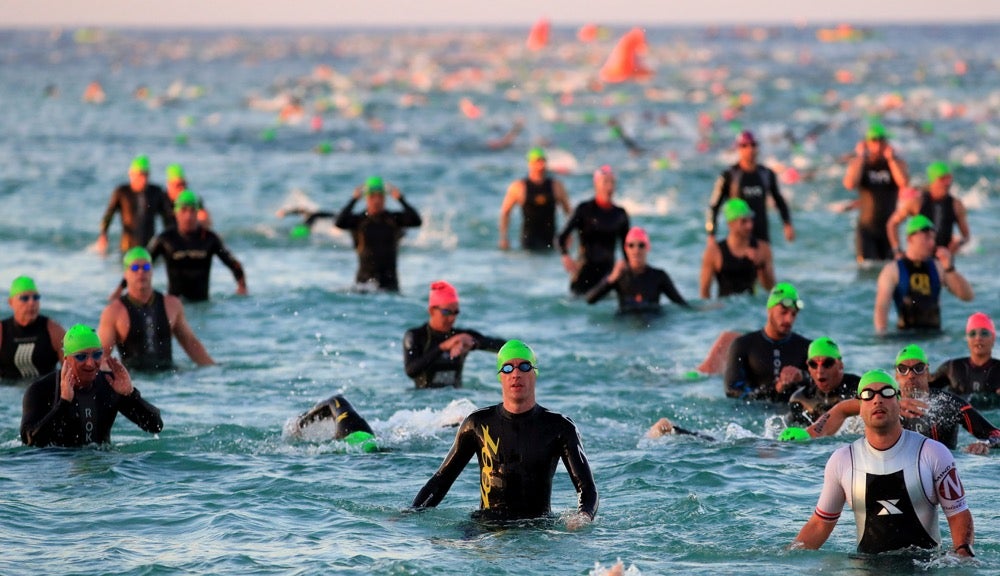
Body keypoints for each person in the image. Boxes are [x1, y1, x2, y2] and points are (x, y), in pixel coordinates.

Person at [411, 340, 599, 526]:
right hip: (486, 531)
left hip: (536, 530)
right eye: (508, 368)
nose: (516, 374)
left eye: (524, 366)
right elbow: (440, 481)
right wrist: (410, 515)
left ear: (535, 373)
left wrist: (583, 516)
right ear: (500, 376)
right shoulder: (477, 424)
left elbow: (587, 488)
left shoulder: (560, 427)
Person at [790, 369, 975, 557]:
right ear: (860, 407)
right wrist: (784, 560)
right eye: (868, 395)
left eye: (886, 392)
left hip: (925, 567)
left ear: (899, 401)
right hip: (865, 568)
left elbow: (958, 513)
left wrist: (964, 553)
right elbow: (819, 524)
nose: (877, 400)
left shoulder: (933, 453)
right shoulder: (842, 460)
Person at [803, 345, 1000, 455]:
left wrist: (984, 445)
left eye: (918, 368)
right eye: (903, 369)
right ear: (896, 375)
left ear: (928, 371)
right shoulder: (881, 403)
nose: (911, 375)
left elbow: (995, 433)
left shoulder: (948, 404)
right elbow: (842, 412)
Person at [20, 324, 163, 447]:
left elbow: (155, 426)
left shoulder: (110, 385)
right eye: (81, 356)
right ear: (66, 359)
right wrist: (63, 403)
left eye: (96, 355)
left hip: (102, 468)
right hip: (59, 468)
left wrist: (131, 394)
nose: (90, 363)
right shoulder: (41, 390)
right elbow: (30, 442)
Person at [98, 247, 215, 371]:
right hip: (135, 379)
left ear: (152, 271)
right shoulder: (113, 312)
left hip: (170, 376)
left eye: (146, 267)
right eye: (135, 268)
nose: (141, 272)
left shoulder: (172, 304)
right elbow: (102, 357)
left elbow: (191, 343)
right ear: (125, 274)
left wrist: (215, 370)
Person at [873, 214, 973, 334]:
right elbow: (881, 308)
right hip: (905, 337)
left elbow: (967, 296)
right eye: (926, 238)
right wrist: (881, 338)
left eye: (933, 238)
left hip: (936, 337)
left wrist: (950, 268)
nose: (931, 243)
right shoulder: (892, 270)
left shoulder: (939, 267)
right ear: (910, 239)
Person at [402, 281, 506, 389]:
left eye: (455, 312)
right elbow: (411, 371)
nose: (452, 318)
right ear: (432, 310)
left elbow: (505, 347)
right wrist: (443, 347)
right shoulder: (416, 335)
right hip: (424, 400)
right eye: (446, 312)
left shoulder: (462, 337)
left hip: (456, 402)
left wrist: (474, 344)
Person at [147, 190, 247, 302]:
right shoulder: (165, 239)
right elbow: (141, 263)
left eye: (192, 211)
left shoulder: (210, 238)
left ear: (197, 213)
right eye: (183, 211)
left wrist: (242, 287)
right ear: (175, 213)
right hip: (175, 304)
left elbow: (233, 264)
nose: (188, 216)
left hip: (202, 304)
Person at [722, 282, 810, 402]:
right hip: (755, 412)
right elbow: (732, 391)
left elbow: (823, 386)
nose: (789, 319)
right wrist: (774, 389)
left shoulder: (805, 347)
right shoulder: (743, 345)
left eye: (793, 314)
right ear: (769, 310)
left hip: (790, 412)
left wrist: (802, 376)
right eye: (783, 312)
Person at [334, 176, 422, 292]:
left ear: (385, 198)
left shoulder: (393, 219)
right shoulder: (359, 221)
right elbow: (339, 222)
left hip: (390, 282)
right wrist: (354, 199)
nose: (376, 200)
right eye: (372, 196)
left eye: (380, 196)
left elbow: (416, 221)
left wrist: (401, 199)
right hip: (364, 282)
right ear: (366, 198)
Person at [705, 130, 794, 244]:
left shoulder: (766, 174)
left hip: (761, 235)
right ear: (738, 149)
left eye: (753, 145)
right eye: (744, 145)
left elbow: (779, 200)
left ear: (757, 147)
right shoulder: (729, 175)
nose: (750, 149)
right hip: (738, 239)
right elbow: (714, 205)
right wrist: (711, 234)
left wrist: (787, 223)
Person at [842, 121, 910, 263]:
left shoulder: (897, 163)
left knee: (890, 268)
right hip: (867, 229)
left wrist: (891, 159)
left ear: (886, 142)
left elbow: (903, 183)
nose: (878, 145)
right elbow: (849, 184)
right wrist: (861, 157)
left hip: (889, 229)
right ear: (867, 143)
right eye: (874, 141)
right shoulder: (860, 164)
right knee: (867, 268)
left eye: (881, 141)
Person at [557, 165, 630, 295]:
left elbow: (627, 247)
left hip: (608, 273)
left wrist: (630, 272)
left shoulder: (620, 214)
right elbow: (561, 237)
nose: (609, 187)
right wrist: (565, 256)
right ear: (596, 184)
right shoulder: (584, 209)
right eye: (605, 182)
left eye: (612, 182)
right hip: (583, 272)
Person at [585, 226, 691, 316]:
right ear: (626, 249)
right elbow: (590, 300)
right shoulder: (619, 275)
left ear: (647, 248)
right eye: (631, 245)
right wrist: (611, 279)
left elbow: (681, 304)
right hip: (626, 325)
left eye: (641, 245)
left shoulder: (659, 276)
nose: (636, 250)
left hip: (652, 325)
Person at [886, 161, 970, 257]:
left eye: (949, 179)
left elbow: (966, 236)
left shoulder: (956, 205)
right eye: (943, 179)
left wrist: (958, 244)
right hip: (921, 257)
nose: (947, 183)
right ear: (933, 181)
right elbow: (892, 224)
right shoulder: (917, 202)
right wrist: (897, 250)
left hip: (943, 258)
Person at [97, 154, 175, 254]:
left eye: (146, 175)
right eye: (140, 174)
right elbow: (109, 214)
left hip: (150, 247)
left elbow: (167, 218)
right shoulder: (121, 192)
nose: (143, 179)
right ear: (131, 174)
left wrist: (172, 238)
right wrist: (103, 234)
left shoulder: (156, 192)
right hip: (127, 246)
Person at [498, 147, 572, 251]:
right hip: (528, 241)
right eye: (537, 161)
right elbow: (505, 212)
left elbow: (568, 211)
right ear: (530, 163)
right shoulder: (518, 187)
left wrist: (568, 234)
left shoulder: (556, 186)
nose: (541, 164)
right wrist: (503, 237)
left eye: (543, 160)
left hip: (550, 240)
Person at [699, 198, 775, 299]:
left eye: (750, 220)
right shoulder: (714, 252)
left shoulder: (763, 248)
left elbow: (770, 288)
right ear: (730, 223)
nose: (749, 225)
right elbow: (704, 293)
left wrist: (761, 266)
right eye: (743, 221)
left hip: (752, 308)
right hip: (726, 309)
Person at [1, 276, 65, 381]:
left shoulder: (54, 330)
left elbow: (72, 371)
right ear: (11, 302)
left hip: (43, 391)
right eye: (24, 298)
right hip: (7, 390)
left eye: (36, 297)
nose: (31, 302)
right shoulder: (2, 331)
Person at [786, 337, 860, 426]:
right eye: (813, 364)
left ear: (840, 365)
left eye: (827, 363)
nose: (820, 370)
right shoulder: (800, 400)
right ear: (808, 367)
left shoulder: (859, 390)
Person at [930, 312, 1000, 408]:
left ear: (993, 338)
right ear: (967, 338)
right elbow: (925, 391)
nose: (978, 338)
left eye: (984, 333)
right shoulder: (952, 368)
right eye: (972, 334)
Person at [293, 394, 378, 452]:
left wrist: (302, 421)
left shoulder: (340, 407)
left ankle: (299, 423)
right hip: (366, 437)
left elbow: (335, 399)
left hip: (351, 433)